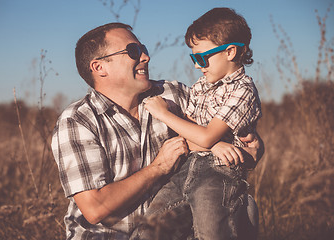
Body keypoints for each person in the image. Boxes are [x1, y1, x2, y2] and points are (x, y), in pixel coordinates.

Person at [51, 22, 263, 240]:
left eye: (143, 49)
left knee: (245, 207)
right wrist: (158, 167)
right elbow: (95, 208)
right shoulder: (78, 120)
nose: (145, 57)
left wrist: (249, 147)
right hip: (108, 236)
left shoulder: (174, 94)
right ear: (99, 68)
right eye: (133, 51)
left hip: (172, 232)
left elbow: (217, 128)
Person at [134, 7, 262, 240]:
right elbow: (190, 135)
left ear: (230, 52)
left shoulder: (243, 90)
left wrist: (163, 114)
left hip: (219, 173)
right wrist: (213, 143)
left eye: (202, 57)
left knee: (213, 234)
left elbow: (203, 136)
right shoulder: (201, 85)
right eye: (193, 57)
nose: (196, 65)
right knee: (148, 230)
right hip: (186, 168)